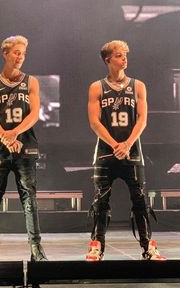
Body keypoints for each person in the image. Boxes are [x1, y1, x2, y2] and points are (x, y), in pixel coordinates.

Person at [86, 40, 166, 261]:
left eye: (126, 55)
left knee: (140, 201)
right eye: (120, 55)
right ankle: (96, 246)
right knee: (100, 202)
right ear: (108, 59)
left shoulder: (138, 86)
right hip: (105, 152)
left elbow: (142, 119)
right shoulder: (96, 87)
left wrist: (128, 144)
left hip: (132, 151)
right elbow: (95, 122)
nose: (125, 59)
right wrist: (115, 144)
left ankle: (148, 246)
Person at [0, 35, 47, 262]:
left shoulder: (31, 82)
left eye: (23, 54)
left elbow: (34, 114)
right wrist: (6, 137)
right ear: (5, 54)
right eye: (16, 53)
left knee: (30, 198)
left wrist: (14, 133)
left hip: (25, 148)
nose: (20, 57)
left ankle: (36, 248)